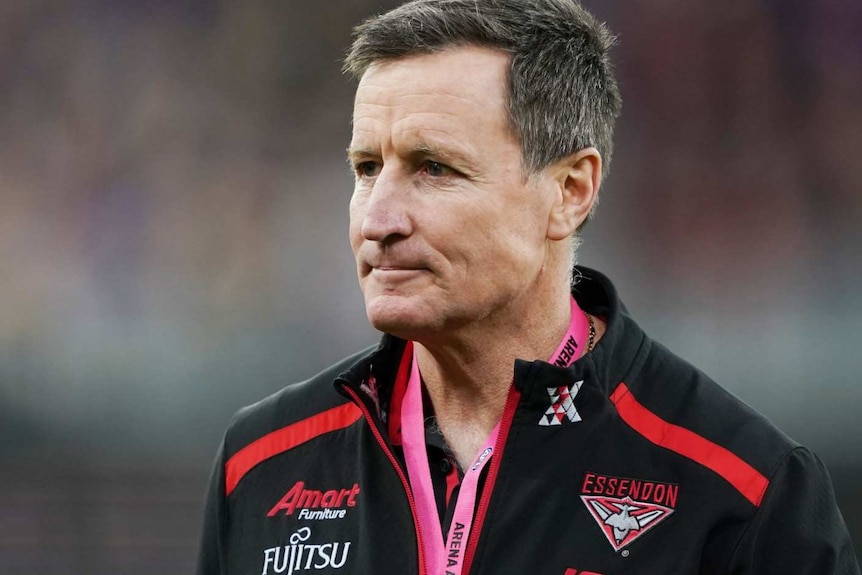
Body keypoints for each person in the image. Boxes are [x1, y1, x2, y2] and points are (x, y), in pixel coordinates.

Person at [196, 1, 860, 573]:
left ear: (570, 192)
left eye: (434, 168)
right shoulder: (261, 462)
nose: (379, 219)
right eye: (367, 167)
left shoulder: (745, 490)